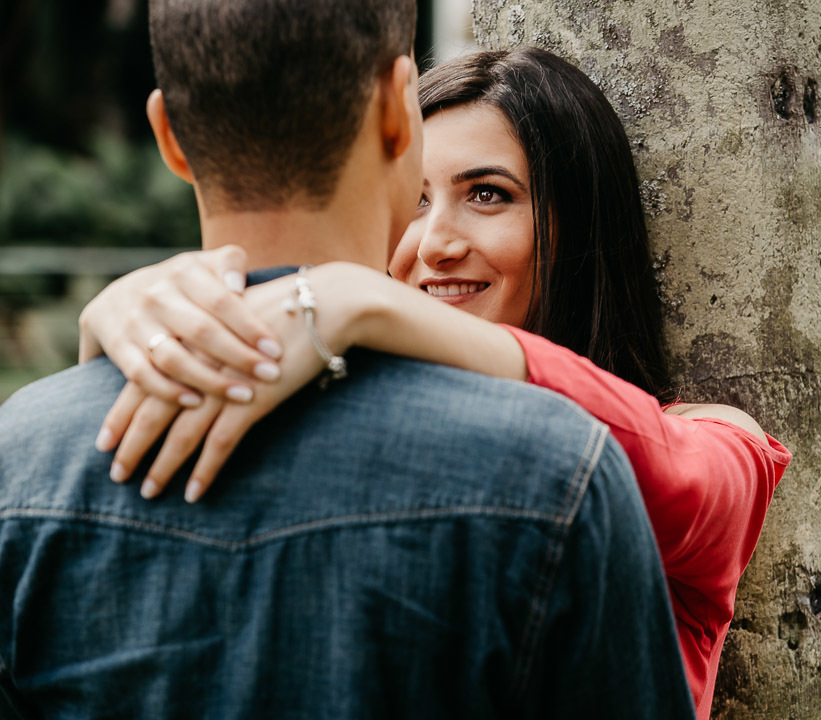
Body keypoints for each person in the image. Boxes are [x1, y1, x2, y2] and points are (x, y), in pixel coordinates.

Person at [0, 4, 697, 718]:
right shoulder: (558, 473)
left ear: (169, 136)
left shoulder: (18, 459)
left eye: (487, 195)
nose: (437, 243)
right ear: (402, 112)